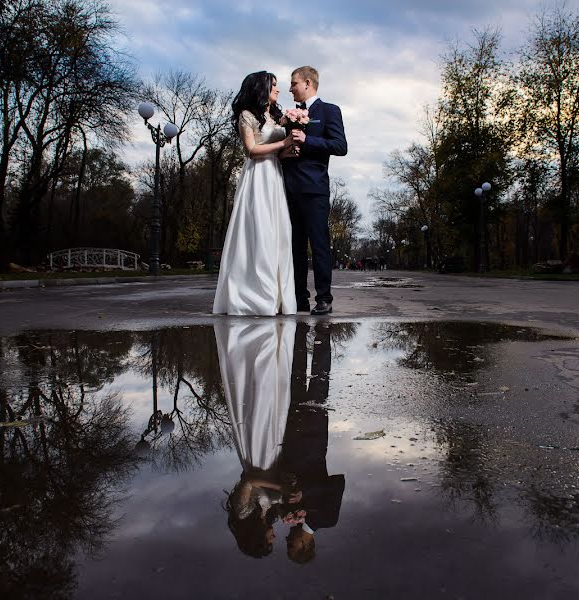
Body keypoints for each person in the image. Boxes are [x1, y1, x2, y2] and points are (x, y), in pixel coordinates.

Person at [213, 71, 298, 316]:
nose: (278, 90)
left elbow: (279, 151)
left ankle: (277, 295)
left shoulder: (278, 117)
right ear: (261, 88)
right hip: (258, 176)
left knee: (278, 232)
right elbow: (251, 149)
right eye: (273, 86)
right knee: (259, 230)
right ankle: (254, 294)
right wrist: (284, 143)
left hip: (275, 175)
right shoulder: (247, 116)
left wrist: (291, 147)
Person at [215, 321, 300, 557]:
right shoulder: (267, 515)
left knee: (260, 413)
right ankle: (274, 352)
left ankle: (257, 352)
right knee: (276, 409)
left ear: (256, 538)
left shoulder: (241, 511)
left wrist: (279, 487)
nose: (274, 537)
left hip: (256, 457)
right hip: (273, 458)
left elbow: (250, 481)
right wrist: (287, 502)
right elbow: (272, 496)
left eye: (269, 541)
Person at [282, 66, 348, 316]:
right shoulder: (287, 114)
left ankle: (324, 298)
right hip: (288, 188)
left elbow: (340, 146)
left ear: (307, 83)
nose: (290, 89)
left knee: (319, 244)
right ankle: (300, 299)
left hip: (315, 188)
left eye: (293, 83)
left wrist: (307, 141)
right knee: (294, 246)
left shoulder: (329, 111)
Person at [280, 322, 345, 563]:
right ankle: (323, 334)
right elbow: (337, 483)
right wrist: (304, 492)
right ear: (305, 546)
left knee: (294, 378)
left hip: (289, 437)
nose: (287, 541)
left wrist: (283, 504)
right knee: (320, 379)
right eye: (291, 547)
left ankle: (299, 333)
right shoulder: (327, 519)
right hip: (315, 438)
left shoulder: (287, 514)